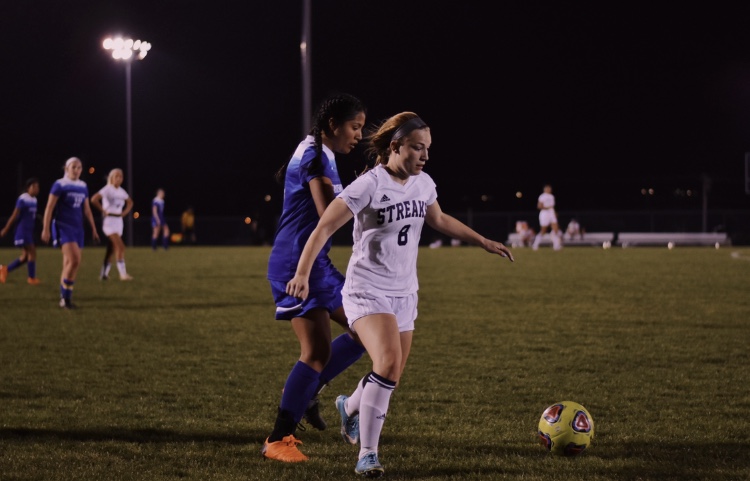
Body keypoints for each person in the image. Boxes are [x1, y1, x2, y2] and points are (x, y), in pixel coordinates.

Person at [284, 112, 514, 476]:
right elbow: (325, 226)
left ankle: (349, 406)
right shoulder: (370, 185)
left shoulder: (423, 183)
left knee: (391, 373)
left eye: (428, 149)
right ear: (395, 146)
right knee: (387, 363)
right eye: (417, 148)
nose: (424, 156)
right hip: (366, 290)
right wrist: (301, 272)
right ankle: (367, 455)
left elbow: (438, 219)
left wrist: (482, 241)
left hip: (405, 293)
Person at [262, 92, 368, 463]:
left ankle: (306, 394)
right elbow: (329, 214)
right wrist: (372, 192)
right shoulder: (314, 155)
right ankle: (278, 439)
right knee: (317, 351)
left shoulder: (321, 152)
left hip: (314, 261)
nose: (358, 134)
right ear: (332, 125)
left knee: (362, 331)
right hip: (298, 264)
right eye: (354, 127)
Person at [41, 157, 100, 308]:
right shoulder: (60, 184)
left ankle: (64, 296)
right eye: (73, 167)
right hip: (63, 226)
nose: (77, 170)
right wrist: (46, 228)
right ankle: (66, 299)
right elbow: (49, 208)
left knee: (68, 263)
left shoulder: (83, 186)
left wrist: (93, 228)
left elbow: (86, 209)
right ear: (66, 168)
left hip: (77, 228)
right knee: (75, 260)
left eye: (79, 167)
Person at [90, 168, 134, 281]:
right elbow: (94, 199)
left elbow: (130, 202)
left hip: (119, 222)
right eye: (116, 176)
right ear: (111, 178)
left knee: (111, 249)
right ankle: (123, 275)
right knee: (120, 246)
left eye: (121, 177)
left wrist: (124, 212)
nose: (119, 178)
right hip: (109, 221)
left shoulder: (121, 191)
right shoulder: (107, 189)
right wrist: (103, 210)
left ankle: (103, 274)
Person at [0, 177, 41, 285]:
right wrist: (6, 228)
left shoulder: (34, 200)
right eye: (34, 186)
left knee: (25, 257)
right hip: (22, 230)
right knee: (32, 252)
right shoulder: (23, 199)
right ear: (28, 188)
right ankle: (31, 278)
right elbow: (15, 215)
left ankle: (5, 269)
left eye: (37, 187)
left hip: (29, 231)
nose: (36, 189)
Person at [531, 184, 562, 251]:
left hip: (551, 213)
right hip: (544, 213)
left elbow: (552, 207)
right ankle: (535, 244)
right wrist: (547, 208)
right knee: (543, 230)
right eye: (548, 188)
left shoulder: (552, 196)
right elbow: (539, 206)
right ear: (545, 189)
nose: (549, 189)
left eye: (550, 188)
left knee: (556, 229)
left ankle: (556, 246)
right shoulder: (542, 196)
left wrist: (554, 213)